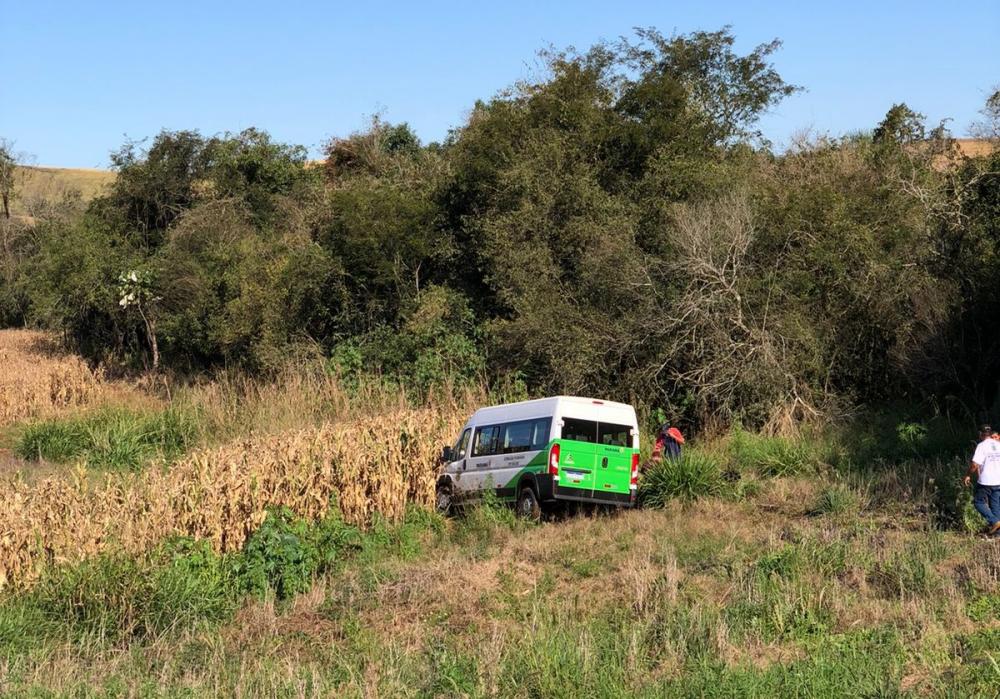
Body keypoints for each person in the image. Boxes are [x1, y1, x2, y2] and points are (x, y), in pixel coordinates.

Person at [964, 424, 1000, 536]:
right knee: (995, 505)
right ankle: (998, 533)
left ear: (980, 434)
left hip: (986, 481)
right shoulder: (998, 445)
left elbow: (975, 465)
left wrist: (968, 475)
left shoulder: (982, 446)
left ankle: (994, 521)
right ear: (990, 433)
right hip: (998, 480)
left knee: (978, 502)